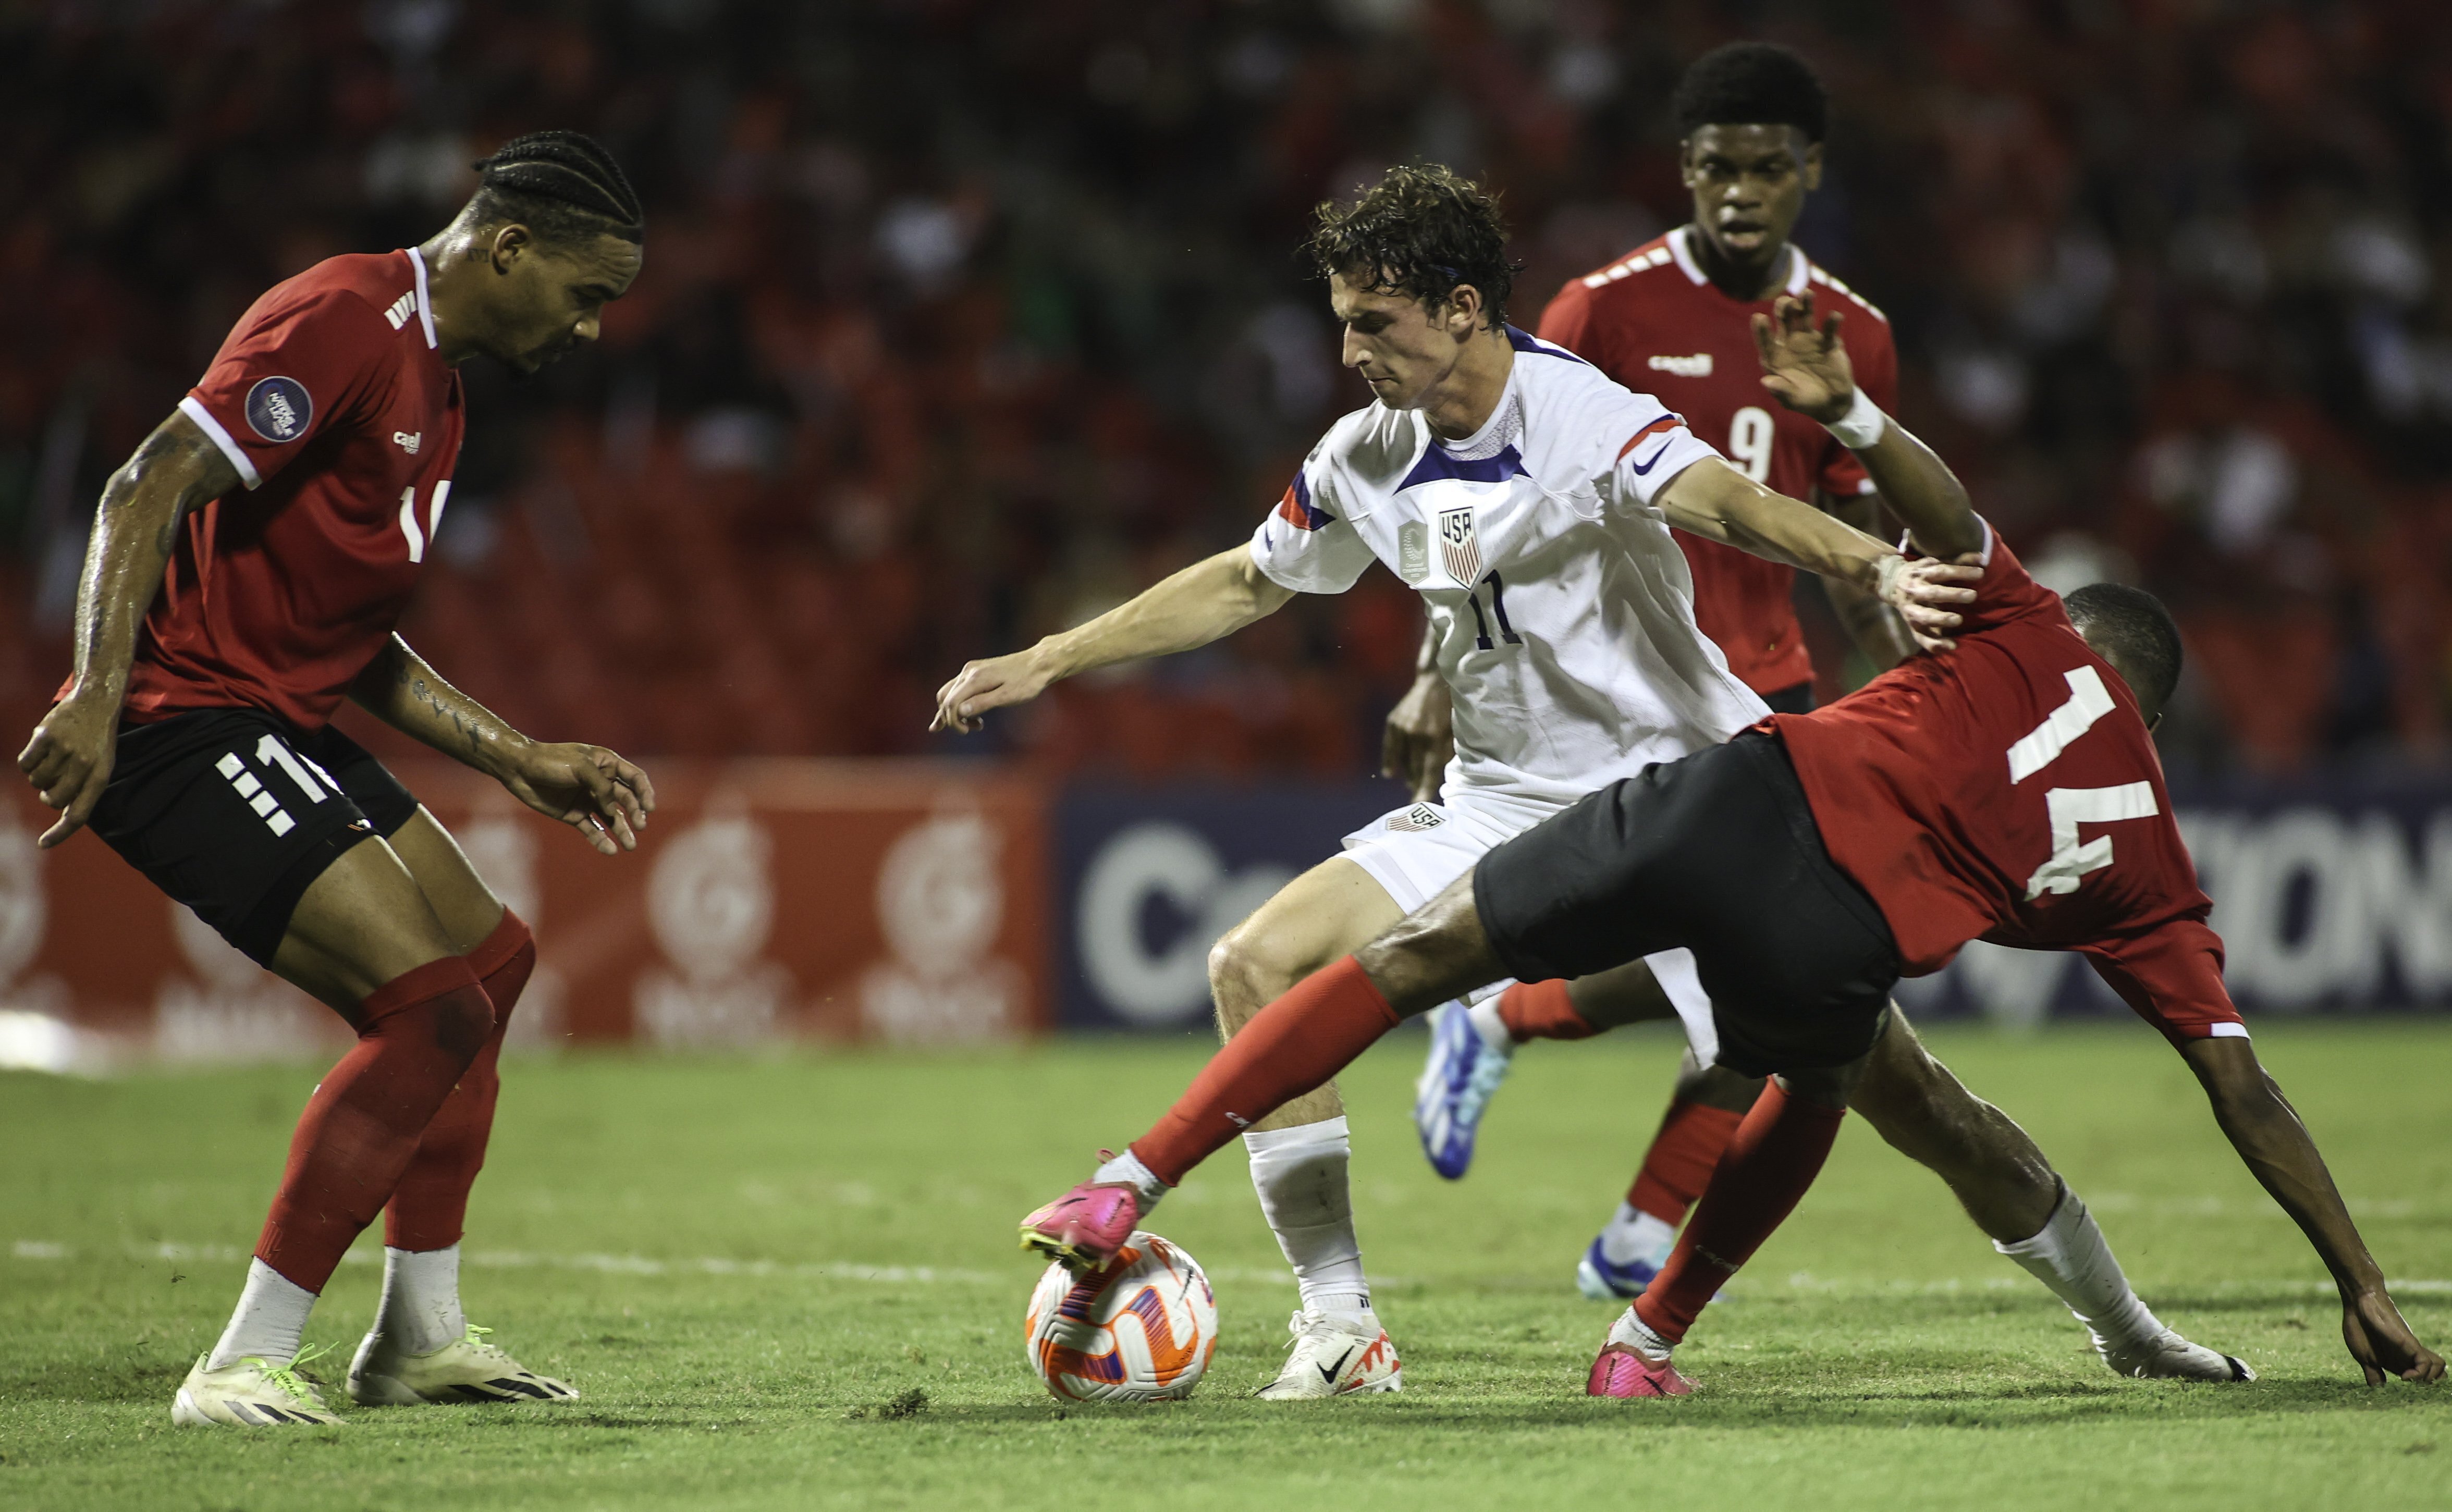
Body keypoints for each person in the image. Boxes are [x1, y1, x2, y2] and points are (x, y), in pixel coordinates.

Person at [1019, 293, 2445, 1399]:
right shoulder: (2155, 870)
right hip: (1805, 909)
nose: (1348, 349)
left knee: (1415, 960)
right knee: (1860, 1091)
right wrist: (2361, 1277)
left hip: (1724, 787)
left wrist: (1867, 464)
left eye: (1366, 321)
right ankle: (1634, 1329)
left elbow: (1895, 513)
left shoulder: (2023, 622)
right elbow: (2242, 1085)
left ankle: (1137, 1173)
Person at [935, 163, 1971, 1398]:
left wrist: (1875, 568)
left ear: (1464, 307)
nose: (1351, 352)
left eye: (1375, 323)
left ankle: (2110, 1309)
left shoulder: (1580, 412)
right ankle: (1340, 1326)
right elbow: (1248, 580)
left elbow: (1736, 506)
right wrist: (1052, 657)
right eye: (1342, 324)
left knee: (1903, 1100)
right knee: (1251, 963)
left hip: (1687, 792)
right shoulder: (1364, 452)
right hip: (1503, 798)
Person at [17, 132, 655, 1429]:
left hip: (275, 715)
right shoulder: (344, 321)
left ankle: (419, 1334)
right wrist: (93, 689)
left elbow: (346, 635)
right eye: (587, 295)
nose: (591, 331)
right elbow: (143, 486)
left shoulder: (443, 386)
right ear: (510, 248)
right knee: (427, 1010)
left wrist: (517, 756)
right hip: (179, 721)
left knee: (492, 964)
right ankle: (241, 1359)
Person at [1396, 41, 1919, 1299]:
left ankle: (1631, 1222)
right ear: (1684, 169)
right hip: (1618, 687)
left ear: (1811, 173)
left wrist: (1915, 683)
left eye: (1767, 169)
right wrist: (1434, 662)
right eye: (1716, 167)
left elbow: (1857, 541)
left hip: (1770, 695)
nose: (1740, 191)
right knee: (1733, 970)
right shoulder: (1604, 307)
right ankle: (1503, 1020)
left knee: (1772, 985)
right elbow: (1462, 487)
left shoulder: (1856, 333)